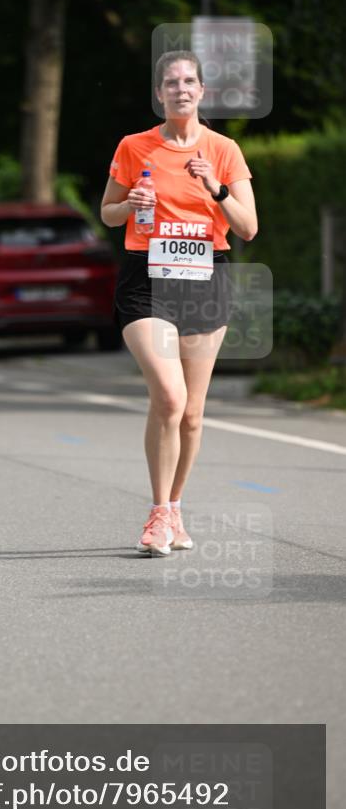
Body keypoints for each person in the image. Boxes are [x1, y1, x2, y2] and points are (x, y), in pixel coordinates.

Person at [101, 51, 257, 555]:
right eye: (172, 82)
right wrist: (130, 205)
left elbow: (248, 227)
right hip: (147, 279)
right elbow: (106, 213)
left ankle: (175, 508)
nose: (181, 89)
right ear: (159, 94)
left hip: (206, 278)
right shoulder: (134, 146)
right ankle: (157, 512)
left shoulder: (224, 150)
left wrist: (215, 188)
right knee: (168, 396)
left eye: (190, 81)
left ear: (202, 92)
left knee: (192, 413)